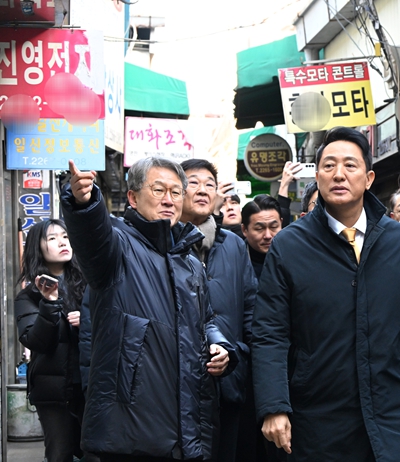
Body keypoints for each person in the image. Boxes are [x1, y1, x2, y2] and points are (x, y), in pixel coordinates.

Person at [252, 126, 400, 462]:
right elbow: (270, 333)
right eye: (329, 166)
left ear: (369, 178)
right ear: (318, 176)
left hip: (393, 412)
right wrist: (274, 406)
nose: (339, 174)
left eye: (350, 165)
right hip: (319, 417)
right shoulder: (289, 245)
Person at [60, 157, 236, 462]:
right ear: (133, 198)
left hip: (187, 427)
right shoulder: (117, 245)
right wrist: (84, 203)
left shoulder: (190, 261)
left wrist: (219, 345)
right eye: (158, 190)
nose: (169, 199)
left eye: (176, 192)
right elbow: (92, 236)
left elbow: (206, 320)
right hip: (130, 432)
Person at [180, 158, 258, 462]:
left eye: (209, 185)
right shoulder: (162, 245)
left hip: (228, 379)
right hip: (178, 385)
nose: (202, 190)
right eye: (193, 183)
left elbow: (250, 308)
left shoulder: (234, 245)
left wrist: (242, 356)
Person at [14, 219, 87, 462]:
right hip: (53, 391)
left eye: (65, 236)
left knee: (96, 452)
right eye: (53, 238)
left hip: (91, 386)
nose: (62, 242)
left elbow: (112, 324)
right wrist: (49, 302)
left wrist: (88, 320)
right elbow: (37, 342)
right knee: (59, 454)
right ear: (38, 247)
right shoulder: (28, 297)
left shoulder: (89, 285)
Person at [241, 194, 282, 280]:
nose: (268, 236)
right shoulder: (234, 261)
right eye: (259, 228)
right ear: (244, 229)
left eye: (273, 227)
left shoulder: (294, 256)